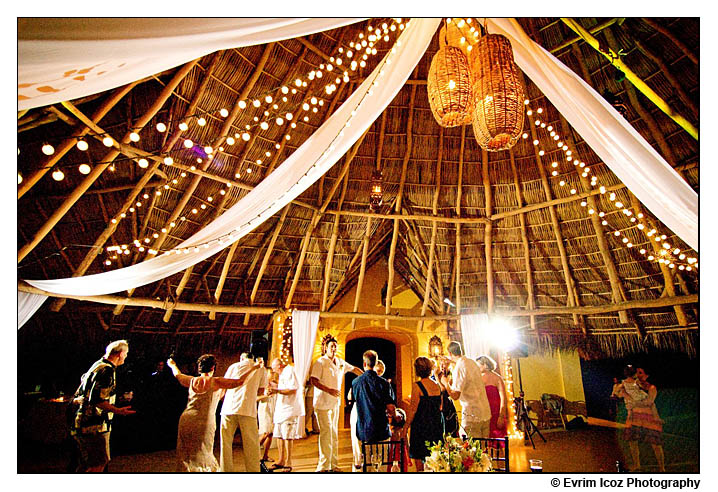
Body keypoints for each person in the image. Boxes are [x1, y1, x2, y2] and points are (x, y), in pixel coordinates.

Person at [167, 354, 261, 472]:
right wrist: (254, 368)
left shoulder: (192, 380)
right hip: (204, 421)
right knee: (204, 451)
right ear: (212, 368)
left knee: (185, 454)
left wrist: (172, 365)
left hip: (186, 419)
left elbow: (178, 375)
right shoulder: (216, 381)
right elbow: (240, 382)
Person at [69, 340, 136, 472]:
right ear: (121, 354)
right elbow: (96, 400)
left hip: (82, 422)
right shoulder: (107, 370)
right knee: (98, 464)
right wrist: (117, 410)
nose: (126, 356)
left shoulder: (97, 365)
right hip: (94, 426)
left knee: (85, 464)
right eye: (126, 353)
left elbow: (92, 393)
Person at [309, 334, 363, 472]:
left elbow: (354, 369)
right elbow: (313, 380)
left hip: (335, 404)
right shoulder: (320, 362)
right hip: (322, 404)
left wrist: (367, 377)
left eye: (335, 346)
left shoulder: (340, 362)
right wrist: (329, 390)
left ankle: (334, 465)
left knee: (334, 433)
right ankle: (323, 466)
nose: (334, 348)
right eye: (331, 346)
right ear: (325, 348)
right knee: (326, 433)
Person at [219, 352, 267, 472]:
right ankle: (253, 470)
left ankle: (225, 470)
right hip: (247, 409)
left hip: (228, 408)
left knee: (226, 443)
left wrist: (223, 400)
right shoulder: (261, 369)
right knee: (251, 444)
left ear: (241, 358)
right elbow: (261, 391)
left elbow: (224, 386)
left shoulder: (233, 366)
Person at [618, 366, 666, 472]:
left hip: (648, 417)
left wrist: (632, 402)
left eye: (640, 373)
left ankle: (662, 468)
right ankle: (637, 465)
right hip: (634, 417)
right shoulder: (633, 385)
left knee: (655, 444)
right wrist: (625, 395)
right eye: (637, 372)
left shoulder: (651, 388)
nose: (637, 375)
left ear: (647, 375)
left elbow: (649, 403)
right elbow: (621, 394)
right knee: (632, 442)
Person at [440, 341, 491, 438]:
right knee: (484, 448)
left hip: (472, 414)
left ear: (450, 353)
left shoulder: (459, 367)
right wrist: (451, 362)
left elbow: (455, 395)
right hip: (485, 412)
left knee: (470, 449)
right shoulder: (471, 362)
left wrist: (445, 382)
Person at [403, 356, 444, 471]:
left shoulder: (417, 386)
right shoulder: (437, 385)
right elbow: (440, 407)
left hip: (421, 425)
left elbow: (413, 409)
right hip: (436, 424)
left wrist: (406, 427)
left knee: (419, 455)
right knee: (435, 457)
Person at [352, 350, 399, 446]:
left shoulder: (355, 382)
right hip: (381, 430)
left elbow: (353, 399)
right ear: (376, 363)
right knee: (384, 459)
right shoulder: (384, 383)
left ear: (364, 363)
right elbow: (390, 407)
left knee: (367, 460)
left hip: (364, 432)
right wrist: (396, 416)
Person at [349, 358, 386, 472]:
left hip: (373, 414)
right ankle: (359, 464)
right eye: (378, 371)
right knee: (358, 442)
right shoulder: (359, 382)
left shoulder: (380, 383)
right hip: (360, 411)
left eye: (381, 372)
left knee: (374, 446)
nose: (379, 374)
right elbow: (350, 396)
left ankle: (372, 467)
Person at [268, 357, 302, 472]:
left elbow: (292, 389)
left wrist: (276, 390)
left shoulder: (289, 371)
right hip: (281, 410)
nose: (273, 371)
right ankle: (281, 460)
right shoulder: (282, 375)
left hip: (289, 409)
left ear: (279, 366)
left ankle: (288, 462)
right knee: (279, 435)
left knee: (287, 435)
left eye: (274, 368)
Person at [476, 355, 509, 441]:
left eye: (478, 364)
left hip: (496, 413)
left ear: (485, 364)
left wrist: (501, 416)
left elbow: (503, 398)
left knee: (499, 441)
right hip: (484, 414)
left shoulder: (497, 378)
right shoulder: (478, 378)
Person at [257, 366, 278, 463]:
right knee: (266, 432)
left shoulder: (275, 384)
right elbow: (255, 398)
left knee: (270, 433)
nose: (272, 374)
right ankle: (253, 451)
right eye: (270, 373)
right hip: (265, 409)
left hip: (273, 408)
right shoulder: (261, 385)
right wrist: (266, 395)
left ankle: (265, 455)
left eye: (273, 372)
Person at [387, 408, 411, 472]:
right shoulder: (401, 432)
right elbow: (407, 444)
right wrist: (408, 457)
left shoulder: (391, 432)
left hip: (394, 455)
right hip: (401, 455)